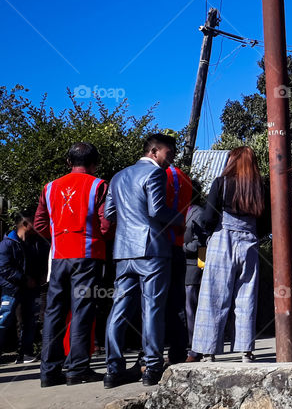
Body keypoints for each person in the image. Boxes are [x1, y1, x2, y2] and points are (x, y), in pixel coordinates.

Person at [103, 133, 182, 387]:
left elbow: (109, 213)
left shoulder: (117, 176)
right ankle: (152, 367)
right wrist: (182, 218)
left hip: (124, 250)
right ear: (154, 152)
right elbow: (156, 210)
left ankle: (112, 370)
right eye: (168, 154)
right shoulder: (155, 174)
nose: (170, 160)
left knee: (119, 309)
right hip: (152, 249)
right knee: (153, 308)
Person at [34, 142, 112, 386]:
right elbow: (106, 224)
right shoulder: (99, 185)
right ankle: (77, 369)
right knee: (82, 310)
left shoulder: (49, 188)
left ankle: (48, 373)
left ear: (69, 162)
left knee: (54, 312)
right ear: (94, 163)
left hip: (59, 257)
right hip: (87, 256)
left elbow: (39, 224)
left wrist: (59, 236)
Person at [192, 146, 269, 362]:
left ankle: (208, 351)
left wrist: (207, 233)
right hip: (250, 242)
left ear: (231, 161)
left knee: (214, 295)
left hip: (222, 240)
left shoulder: (221, 183)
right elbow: (266, 223)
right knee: (246, 296)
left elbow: (208, 218)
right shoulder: (260, 188)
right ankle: (245, 351)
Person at [164, 163, 193, 364]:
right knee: (179, 304)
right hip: (176, 249)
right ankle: (178, 350)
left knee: (182, 306)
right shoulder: (183, 178)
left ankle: (181, 349)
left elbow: (201, 241)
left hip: (171, 251)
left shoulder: (163, 176)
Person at [0, 214, 33, 361]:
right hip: (11, 289)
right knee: (4, 319)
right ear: (25, 224)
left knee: (28, 320)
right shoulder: (7, 244)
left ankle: (25, 352)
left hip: (24, 289)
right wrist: (24, 279)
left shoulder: (26, 243)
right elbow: (3, 267)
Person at [183, 181, 207, 362]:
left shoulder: (197, 213)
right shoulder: (180, 211)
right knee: (183, 309)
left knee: (191, 308)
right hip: (181, 266)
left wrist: (179, 247)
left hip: (193, 266)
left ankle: (195, 348)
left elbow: (200, 243)